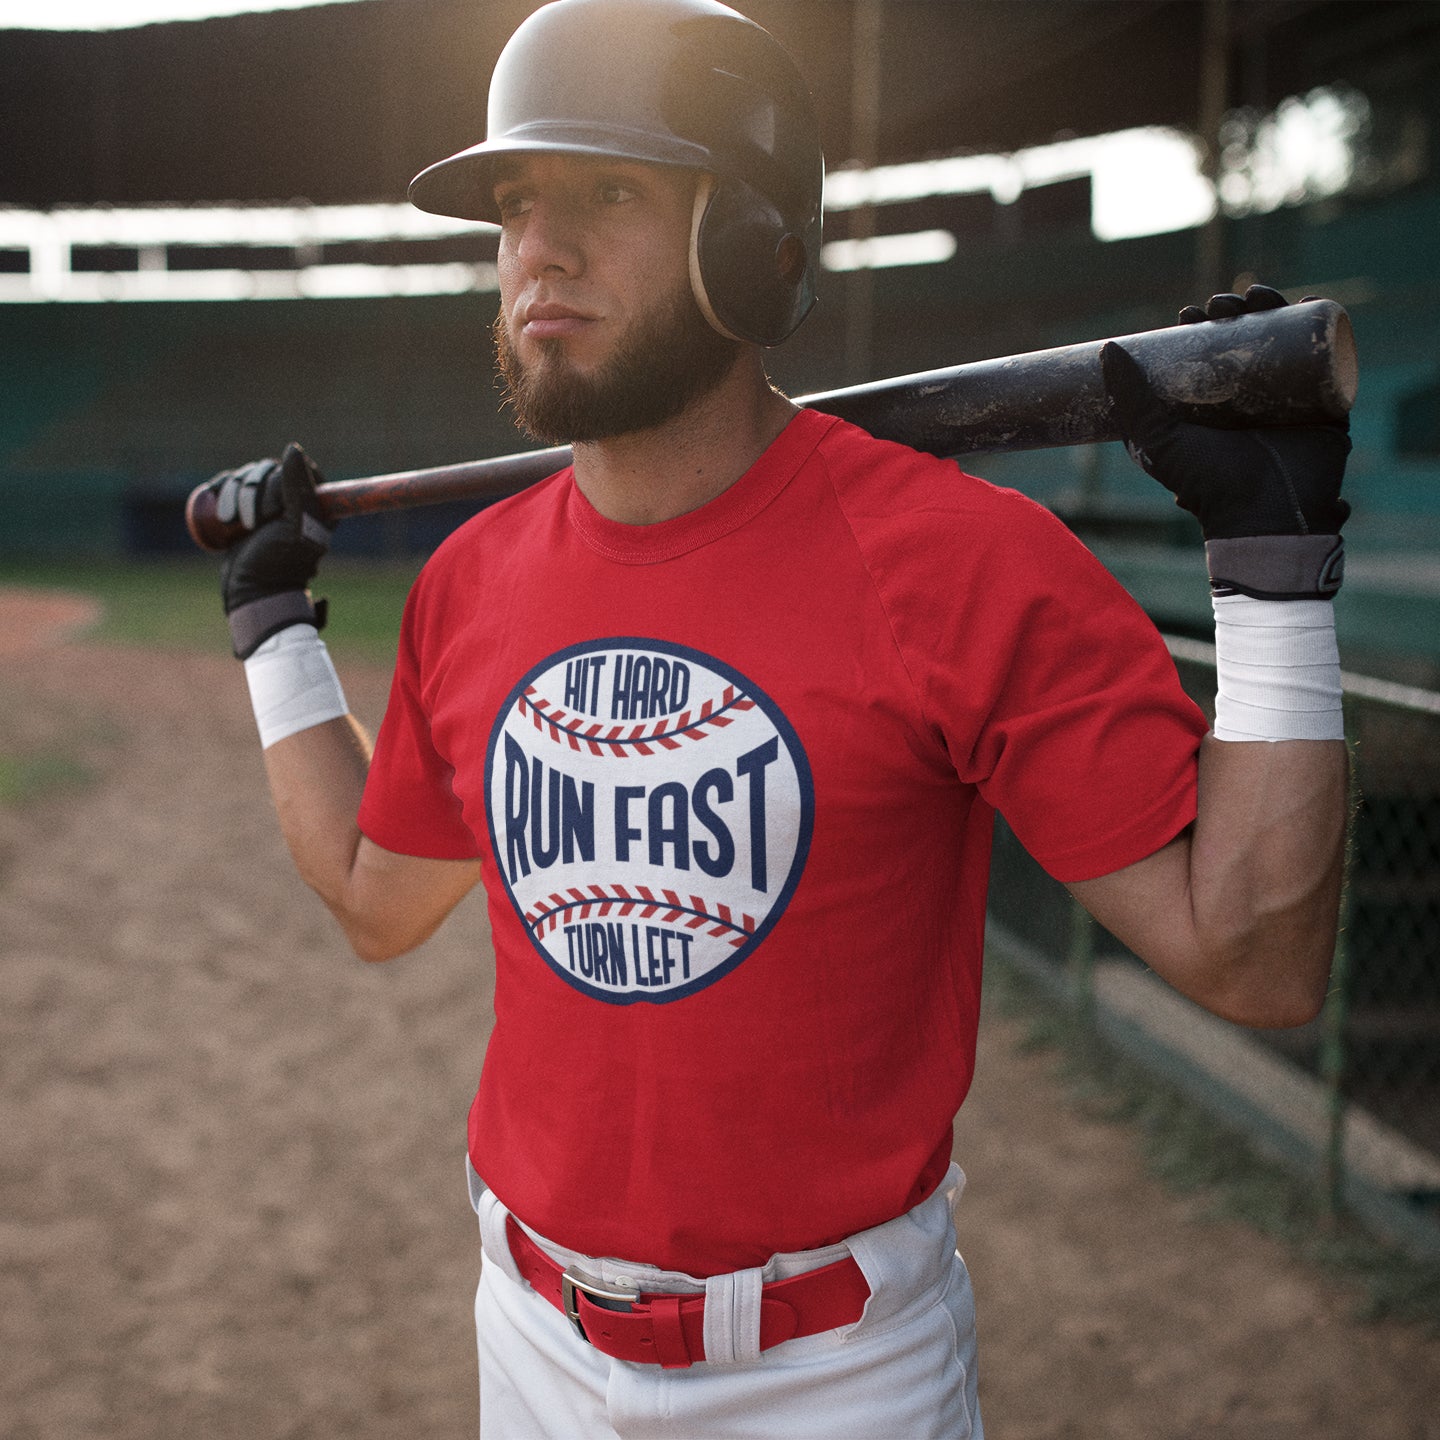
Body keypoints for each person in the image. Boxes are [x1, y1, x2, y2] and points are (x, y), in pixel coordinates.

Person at [205, 0, 1351, 1434]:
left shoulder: (962, 564)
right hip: (529, 1345)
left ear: (750, 244)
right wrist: (270, 631)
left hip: (835, 1377)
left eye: (608, 193)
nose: (535, 253)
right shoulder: (471, 584)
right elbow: (380, 904)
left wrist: (1274, 573)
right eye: (515, 205)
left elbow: (1256, 960)